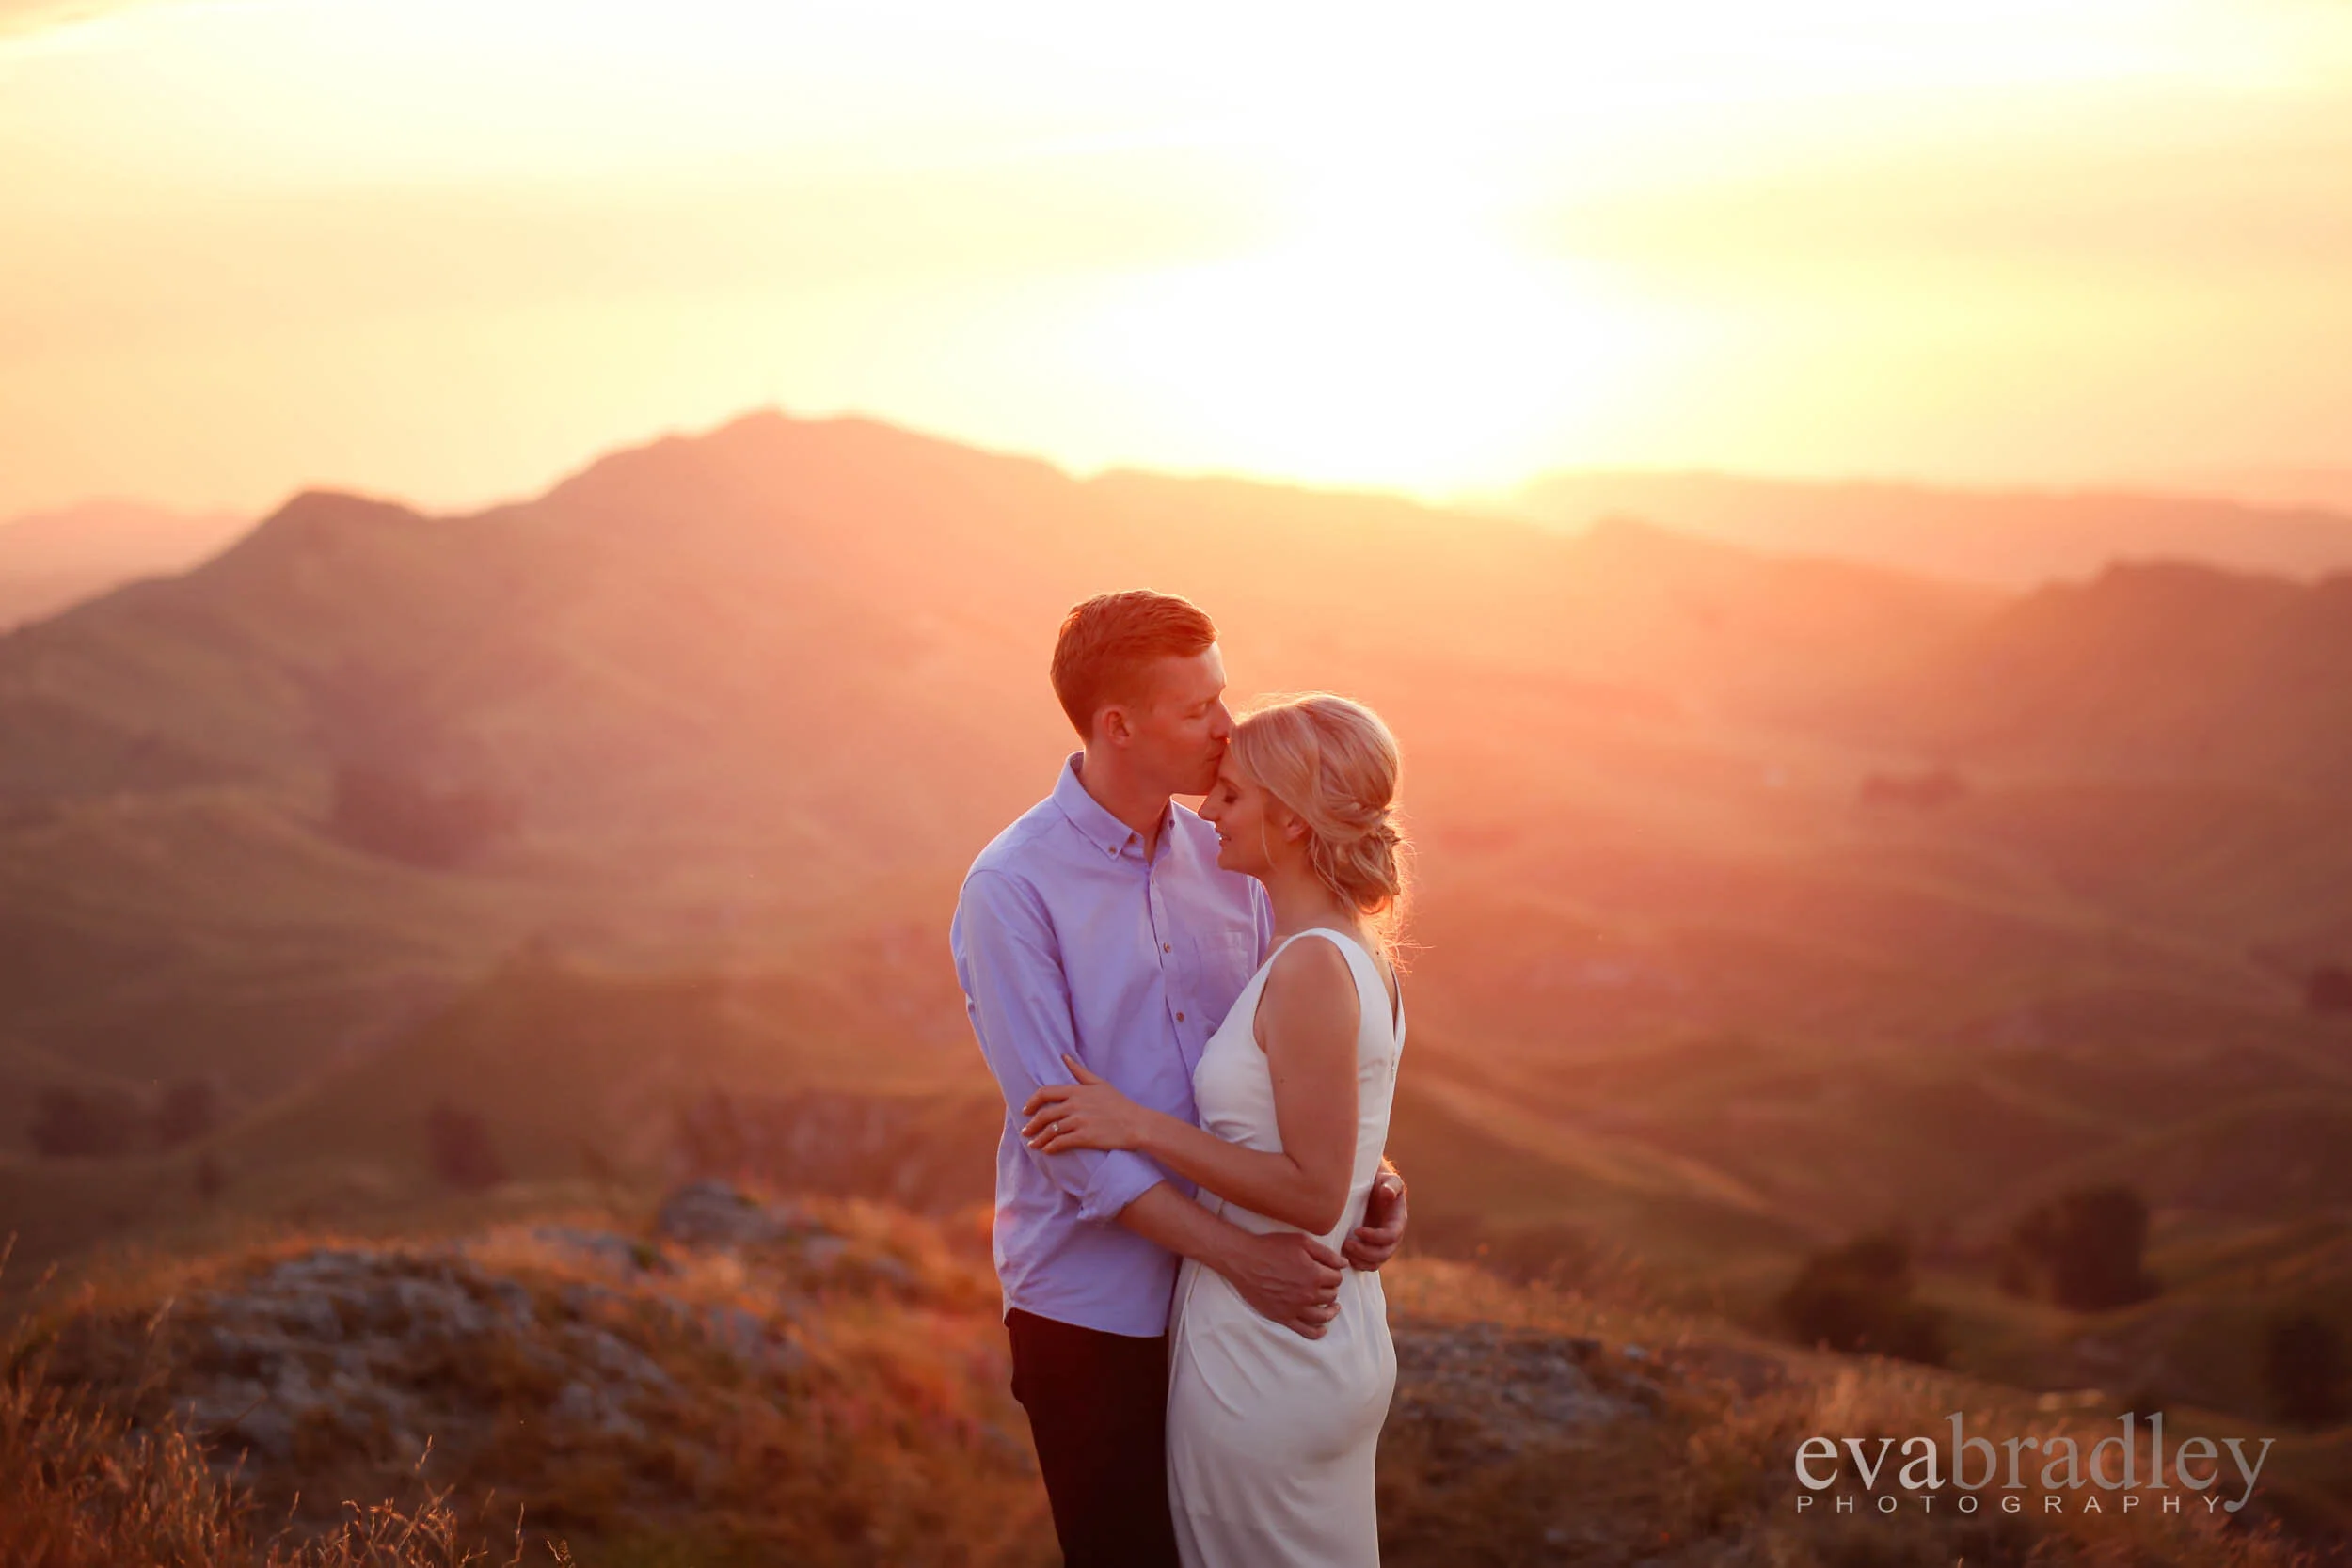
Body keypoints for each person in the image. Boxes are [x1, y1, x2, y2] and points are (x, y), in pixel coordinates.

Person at [950, 591, 1408, 1568]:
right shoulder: (1012, 889)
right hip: (1096, 1308)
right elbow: (1071, 1143)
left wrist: (1368, 1175)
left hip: (1242, 1310)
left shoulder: (1230, 855)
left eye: (1221, 696)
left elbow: (1285, 1060)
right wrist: (1240, 1255)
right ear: (1118, 725)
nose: (1226, 725)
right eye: (1198, 706)